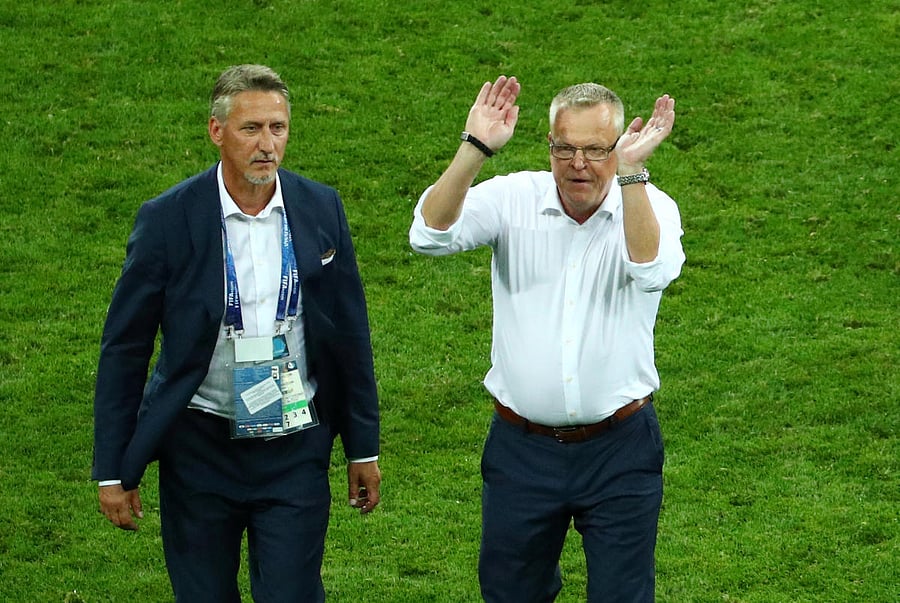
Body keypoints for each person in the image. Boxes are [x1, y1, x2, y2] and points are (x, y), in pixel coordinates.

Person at [93, 64, 381, 603]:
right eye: (251, 129)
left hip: (295, 445)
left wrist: (362, 448)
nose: (267, 145)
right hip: (199, 449)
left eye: (278, 128)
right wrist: (113, 469)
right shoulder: (167, 220)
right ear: (216, 131)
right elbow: (125, 348)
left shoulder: (321, 207)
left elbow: (350, 334)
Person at [409, 75, 684, 602]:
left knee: (623, 596)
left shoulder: (652, 205)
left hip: (620, 450)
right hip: (522, 451)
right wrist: (475, 147)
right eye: (565, 148)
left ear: (619, 146)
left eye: (596, 150)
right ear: (549, 145)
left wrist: (631, 175)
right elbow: (428, 235)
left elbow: (650, 271)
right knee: (511, 593)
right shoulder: (514, 197)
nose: (578, 163)